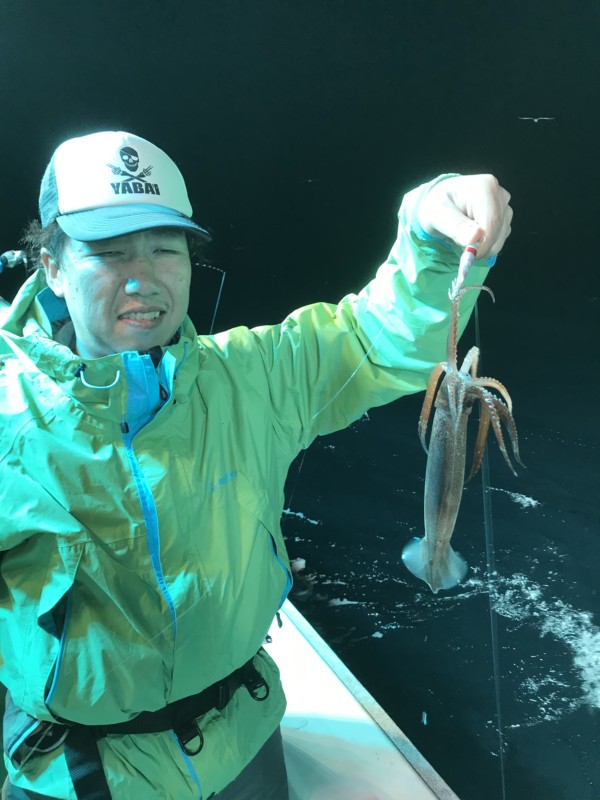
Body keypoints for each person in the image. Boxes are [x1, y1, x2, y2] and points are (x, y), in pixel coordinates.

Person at [0, 130, 512, 800]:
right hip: (81, 774)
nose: (143, 275)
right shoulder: (11, 420)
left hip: (244, 737)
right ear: (54, 267)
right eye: (108, 249)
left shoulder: (254, 373)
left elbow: (375, 338)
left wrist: (433, 235)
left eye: (165, 247)